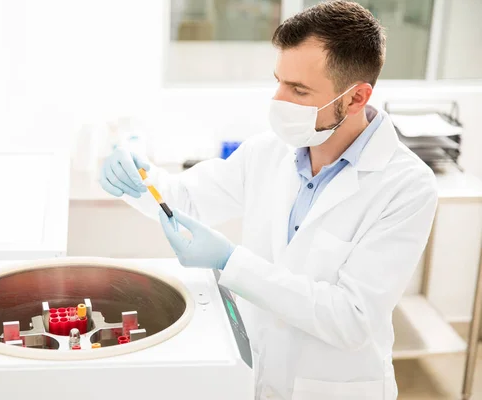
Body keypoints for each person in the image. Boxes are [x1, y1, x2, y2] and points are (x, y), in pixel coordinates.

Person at [99, 1, 437, 399]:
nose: (278, 100)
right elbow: (186, 200)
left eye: (298, 89)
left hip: (332, 388)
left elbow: (352, 318)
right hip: (258, 375)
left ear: (357, 97)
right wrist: (138, 179)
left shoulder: (406, 186)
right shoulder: (269, 151)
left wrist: (230, 261)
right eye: (279, 81)